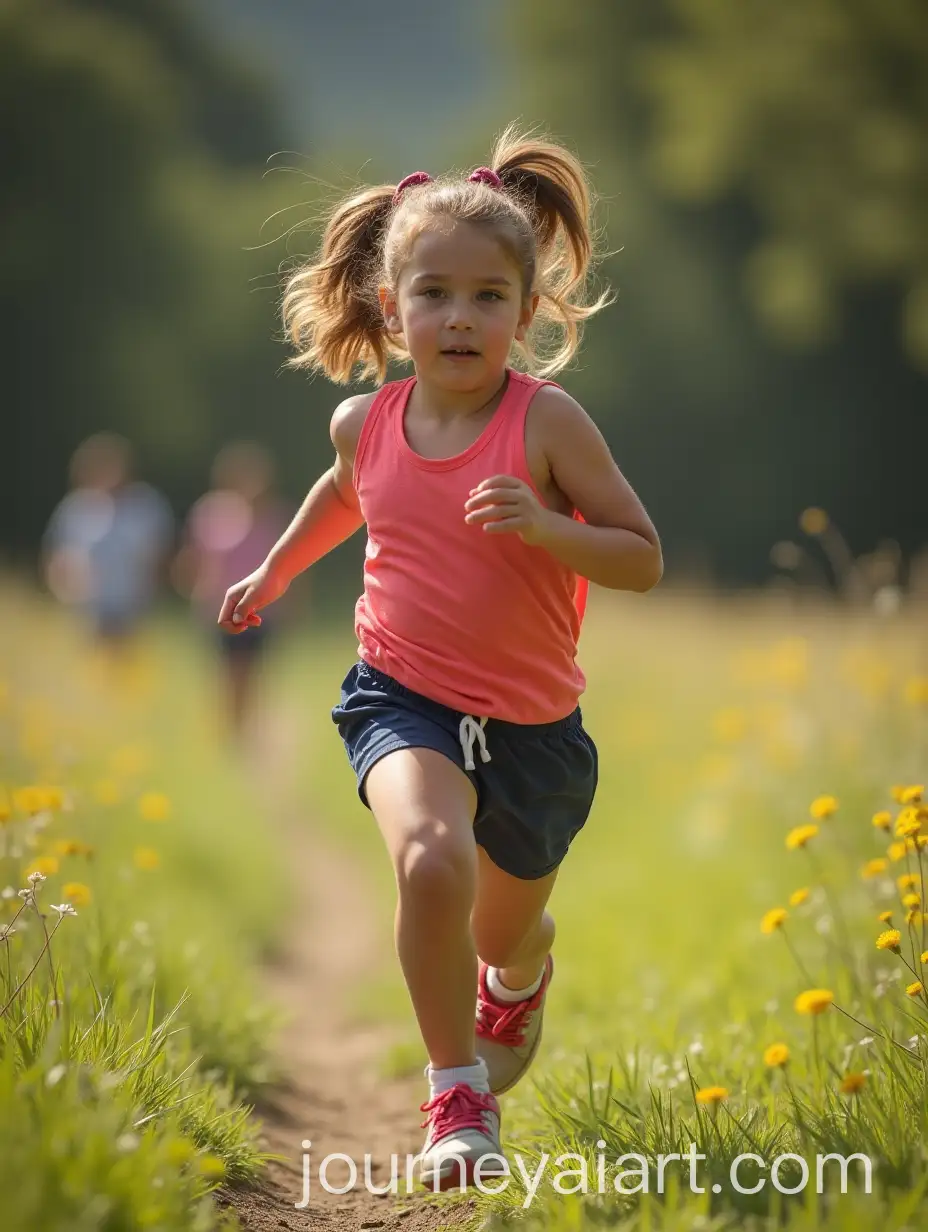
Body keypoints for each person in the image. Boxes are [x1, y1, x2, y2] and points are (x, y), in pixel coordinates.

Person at [218, 124, 662, 1191]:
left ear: (526, 310)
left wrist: (550, 529)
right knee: (428, 860)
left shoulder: (548, 422)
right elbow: (345, 497)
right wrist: (276, 573)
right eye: (433, 293)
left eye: (487, 296)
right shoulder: (360, 421)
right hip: (399, 692)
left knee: (501, 920)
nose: (459, 316)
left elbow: (641, 557)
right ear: (389, 305)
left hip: (536, 731)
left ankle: (517, 968)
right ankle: (455, 1092)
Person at [175, 442, 292, 741]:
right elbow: (194, 559)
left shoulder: (275, 517)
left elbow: (290, 563)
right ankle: (232, 729)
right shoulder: (210, 513)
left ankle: (246, 727)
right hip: (219, 610)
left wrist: (292, 604)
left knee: (251, 674)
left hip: (262, 612)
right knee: (227, 674)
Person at [42, 432, 174, 647]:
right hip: (87, 607)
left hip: (132, 606)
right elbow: (56, 557)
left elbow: (161, 556)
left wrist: (153, 593)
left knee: (125, 670)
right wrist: (64, 592)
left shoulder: (145, 505)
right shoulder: (75, 509)